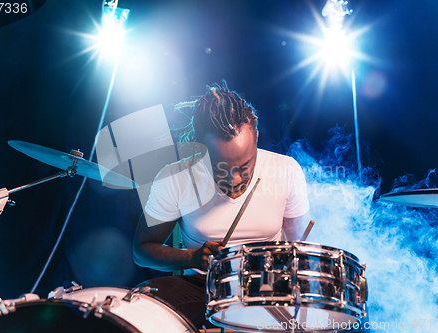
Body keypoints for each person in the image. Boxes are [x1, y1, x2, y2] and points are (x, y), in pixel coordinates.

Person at [132, 81, 310, 329]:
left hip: (268, 288)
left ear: (256, 137)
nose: (235, 180)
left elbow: (300, 247)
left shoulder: (286, 170)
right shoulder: (175, 177)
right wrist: (193, 257)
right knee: (144, 303)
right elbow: (141, 250)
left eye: (244, 167)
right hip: (201, 289)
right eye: (220, 169)